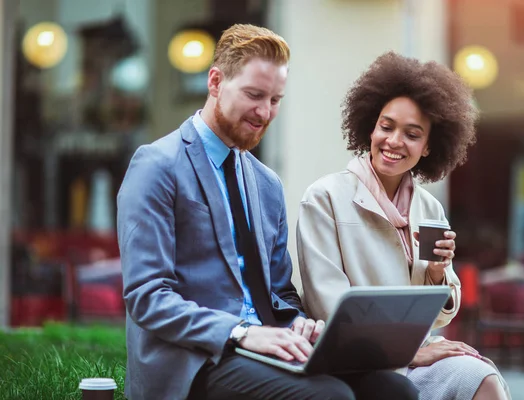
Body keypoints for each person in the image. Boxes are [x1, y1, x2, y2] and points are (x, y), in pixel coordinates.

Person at [117, 25, 418, 400]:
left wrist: (300, 326)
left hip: (266, 346)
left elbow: (280, 293)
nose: (265, 112)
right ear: (215, 82)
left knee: (393, 389)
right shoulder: (157, 165)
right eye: (254, 95)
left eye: (275, 99)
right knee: (330, 396)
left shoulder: (266, 184)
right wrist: (243, 332)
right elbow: (148, 296)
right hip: (195, 360)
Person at [297, 52, 511, 400]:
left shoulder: (428, 207)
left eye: (412, 134)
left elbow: (441, 315)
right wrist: (409, 354)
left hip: (418, 355)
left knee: (483, 377)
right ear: (370, 126)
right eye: (386, 126)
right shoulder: (324, 198)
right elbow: (331, 311)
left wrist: (439, 275)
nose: (394, 141)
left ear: (428, 146)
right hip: (355, 363)